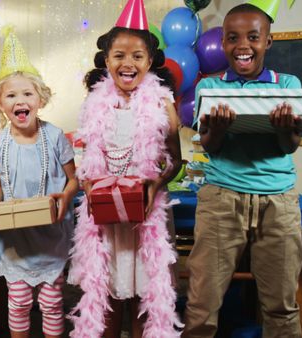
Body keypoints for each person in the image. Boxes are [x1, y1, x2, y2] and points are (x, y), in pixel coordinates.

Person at [183, 3, 302, 338]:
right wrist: (218, 129)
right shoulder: (210, 87)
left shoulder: (287, 84)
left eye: (253, 36)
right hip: (222, 200)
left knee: (281, 306)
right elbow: (209, 145)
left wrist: (283, 128)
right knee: (202, 304)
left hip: (278, 203)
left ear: (268, 41)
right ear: (222, 43)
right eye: (233, 38)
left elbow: (289, 146)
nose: (243, 45)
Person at [67, 0, 183, 337]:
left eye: (137, 56)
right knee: (106, 294)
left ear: (149, 62)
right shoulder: (93, 103)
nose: (128, 63)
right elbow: (85, 160)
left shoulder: (163, 104)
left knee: (146, 295)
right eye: (119, 55)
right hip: (105, 219)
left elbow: (175, 160)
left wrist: (155, 184)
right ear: (106, 61)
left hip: (146, 217)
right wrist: (90, 188)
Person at [0, 27, 78, 338]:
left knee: (52, 303)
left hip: (50, 236)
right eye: (11, 95)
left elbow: (73, 179)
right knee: (19, 302)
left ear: (40, 99)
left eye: (27, 93)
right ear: (0, 103)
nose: (20, 100)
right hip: (15, 240)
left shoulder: (53, 136)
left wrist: (65, 198)